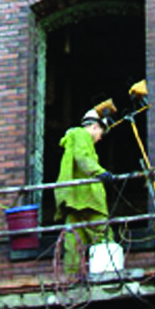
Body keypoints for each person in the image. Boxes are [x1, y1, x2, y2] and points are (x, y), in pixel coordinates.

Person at [54, 108, 117, 276]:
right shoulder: (81, 135)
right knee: (103, 236)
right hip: (88, 199)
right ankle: (109, 275)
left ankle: (71, 280)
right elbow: (83, 157)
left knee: (73, 242)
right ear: (95, 127)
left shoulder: (72, 138)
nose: (100, 138)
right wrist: (100, 172)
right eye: (101, 133)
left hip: (73, 201)